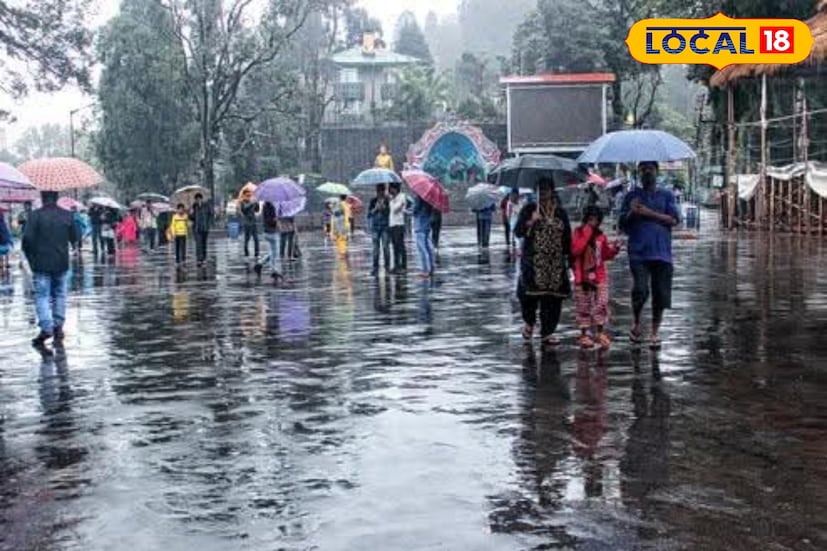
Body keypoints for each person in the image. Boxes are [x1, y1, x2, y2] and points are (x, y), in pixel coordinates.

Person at [619, 161, 680, 350]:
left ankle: (654, 332)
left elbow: (674, 220)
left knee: (660, 294)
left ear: (657, 172)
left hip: (662, 252)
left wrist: (648, 213)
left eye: (650, 169)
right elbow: (622, 225)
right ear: (639, 173)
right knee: (641, 289)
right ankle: (636, 322)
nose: (647, 173)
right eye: (643, 169)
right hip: (638, 252)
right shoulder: (631, 195)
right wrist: (632, 212)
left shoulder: (666, 195)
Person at [514, 178, 572, 347]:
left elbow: (567, 237)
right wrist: (531, 222)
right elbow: (518, 232)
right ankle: (529, 322)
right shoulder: (529, 210)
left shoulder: (560, 213)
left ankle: (547, 331)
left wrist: (570, 259)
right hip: (533, 261)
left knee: (553, 299)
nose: (543, 193)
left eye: (546, 190)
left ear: (552, 191)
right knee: (528, 296)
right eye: (540, 190)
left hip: (555, 263)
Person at [22, 191, 78, 349]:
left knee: (42, 295)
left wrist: (30, 257)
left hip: (40, 263)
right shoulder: (67, 215)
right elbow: (75, 237)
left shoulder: (35, 216)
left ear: (42, 198)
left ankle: (46, 327)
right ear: (56, 197)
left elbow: (27, 239)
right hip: (61, 262)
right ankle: (58, 326)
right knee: (60, 293)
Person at [571, 206, 622, 350]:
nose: (593, 222)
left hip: (599, 276)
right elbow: (575, 250)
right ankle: (584, 334)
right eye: (590, 219)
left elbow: (605, 255)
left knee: (602, 303)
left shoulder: (601, 236)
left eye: (596, 220)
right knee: (583, 305)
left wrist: (615, 249)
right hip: (582, 277)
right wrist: (587, 234)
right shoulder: (578, 232)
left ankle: (600, 332)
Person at [253, 201, 282, 282]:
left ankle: (259, 264)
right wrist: (276, 220)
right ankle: (273, 270)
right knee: (275, 253)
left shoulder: (265, 206)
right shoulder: (270, 207)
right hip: (271, 232)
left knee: (273, 252)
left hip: (267, 231)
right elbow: (271, 221)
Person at [368, 184, 391, 277]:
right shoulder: (373, 201)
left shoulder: (388, 201)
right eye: (378, 191)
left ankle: (387, 266)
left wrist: (385, 208)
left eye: (381, 191)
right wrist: (376, 208)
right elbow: (369, 214)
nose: (379, 194)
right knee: (375, 249)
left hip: (385, 227)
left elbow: (390, 213)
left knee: (386, 247)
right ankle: (375, 267)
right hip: (375, 227)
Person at [413, 195, 435, 278]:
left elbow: (415, 210)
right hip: (427, 222)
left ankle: (425, 270)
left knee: (422, 248)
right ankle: (431, 267)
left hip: (420, 223)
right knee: (429, 247)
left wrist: (408, 210)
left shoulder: (419, 196)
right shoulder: (431, 198)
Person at [388, 183, 407, 273]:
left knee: (400, 246)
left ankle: (403, 266)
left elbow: (395, 209)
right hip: (392, 224)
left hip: (399, 225)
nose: (390, 191)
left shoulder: (401, 197)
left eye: (392, 189)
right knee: (395, 246)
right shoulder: (393, 198)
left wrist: (392, 201)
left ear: (396, 189)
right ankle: (396, 265)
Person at [190, 193, 212, 266]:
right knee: (198, 244)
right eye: (196, 199)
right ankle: (199, 259)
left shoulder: (206, 206)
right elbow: (192, 218)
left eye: (199, 198)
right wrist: (190, 213)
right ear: (195, 200)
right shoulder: (194, 207)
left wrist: (209, 224)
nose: (198, 200)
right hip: (197, 228)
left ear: (201, 199)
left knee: (204, 244)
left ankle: (204, 258)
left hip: (205, 228)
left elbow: (210, 215)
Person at [240, 192, 260, 259]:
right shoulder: (243, 202)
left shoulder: (253, 202)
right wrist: (251, 203)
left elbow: (257, 210)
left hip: (253, 222)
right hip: (247, 223)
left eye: (250, 195)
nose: (249, 197)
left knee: (256, 239)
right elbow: (244, 210)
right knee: (247, 239)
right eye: (247, 196)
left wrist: (257, 203)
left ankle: (257, 254)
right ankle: (246, 254)